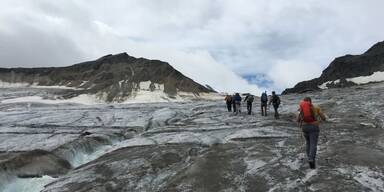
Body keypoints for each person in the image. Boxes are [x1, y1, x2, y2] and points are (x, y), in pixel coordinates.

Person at [297, 97, 326, 169]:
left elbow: (298, 119)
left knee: (308, 143)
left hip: (304, 127)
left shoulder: (301, 108)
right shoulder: (316, 107)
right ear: (310, 101)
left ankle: (309, 157)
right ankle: (311, 159)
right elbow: (323, 117)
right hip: (314, 126)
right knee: (313, 143)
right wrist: (321, 120)